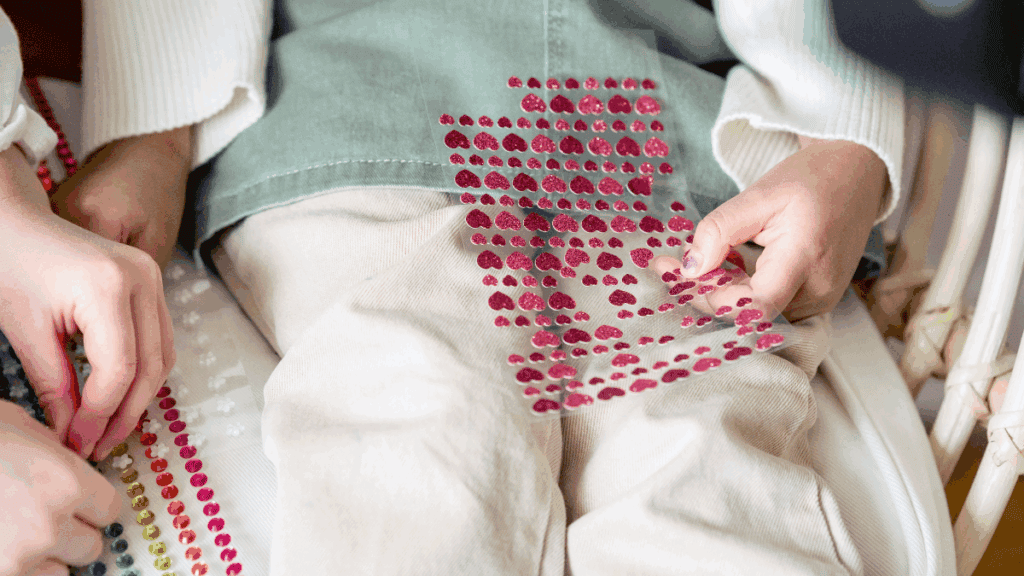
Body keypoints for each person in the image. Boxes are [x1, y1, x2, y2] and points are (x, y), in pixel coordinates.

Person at [1, 0, 903, 574]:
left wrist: (845, 142)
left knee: (693, 454)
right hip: (344, 106)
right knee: (416, 403)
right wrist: (153, 134)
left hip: (665, 135)